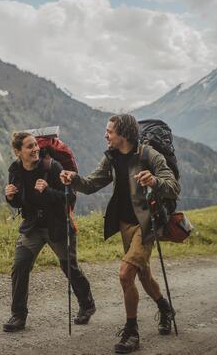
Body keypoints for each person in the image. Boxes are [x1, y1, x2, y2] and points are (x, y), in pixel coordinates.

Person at [60, 114, 180, 354]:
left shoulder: (149, 155)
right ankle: (165, 308)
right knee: (144, 276)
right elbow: (92, 183)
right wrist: (73, 179)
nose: (106, 135)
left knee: (126, 274)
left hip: (146, 225)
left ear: (123, 134)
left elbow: (173, 187)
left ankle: (131, 332)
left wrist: (155, 181)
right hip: (125, 225)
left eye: (109, 131)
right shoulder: (113, 158)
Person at [3, 132, 95, 332]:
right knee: (20, 266)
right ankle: (18, 316)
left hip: (57, 225)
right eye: (29, 146)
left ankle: (87, 305)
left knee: (69, 267)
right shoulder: (15, 170)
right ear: (18, 152)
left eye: (36, 145)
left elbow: (68, 197)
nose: (35, 149)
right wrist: (10, 198)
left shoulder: (52, 167)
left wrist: (48, 191)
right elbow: (20, 201)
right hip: (33, 226)